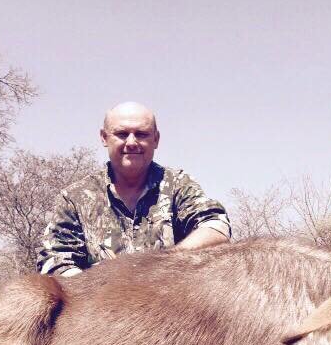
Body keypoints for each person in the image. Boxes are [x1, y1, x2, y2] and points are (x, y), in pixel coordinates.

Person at [37, 102, 231, 276]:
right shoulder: (75, 197)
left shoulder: (178, 184)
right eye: (122, 134)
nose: (131, 142)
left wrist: (163, 263)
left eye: (142, 134)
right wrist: (98, 289)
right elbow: (53, 260)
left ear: (156, 139)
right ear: (104, 137)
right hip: (98, 308)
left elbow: (216, 228)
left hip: (169, 302)